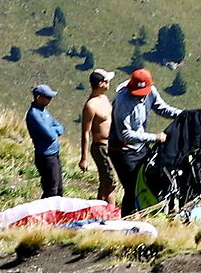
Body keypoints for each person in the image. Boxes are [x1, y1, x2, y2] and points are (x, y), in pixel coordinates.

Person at [111, 68, 182, 208]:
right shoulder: (122, 101)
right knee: (132, 187)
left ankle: (146, 212)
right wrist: (155, 137)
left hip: (140, 147)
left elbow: (162, 108)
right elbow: (125, 134)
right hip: (123, 150)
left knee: (149, 180)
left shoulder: (151, 92)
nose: (140, 97)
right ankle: (128, 219)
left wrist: (184, 115)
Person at [77, 70, 117, 206]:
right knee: (111, 182)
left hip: (111, 144)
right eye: (107, 81)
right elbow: (85, 132)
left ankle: (98, 208)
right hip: (100, 147)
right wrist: (84, 158)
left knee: (105, 181)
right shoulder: (91, 106)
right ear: (101, 84)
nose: (109, 83)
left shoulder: (105, 99)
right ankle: (113, 212)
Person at [25, 85, 65, 200]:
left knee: (58, 188)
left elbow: (60, 127)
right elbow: (50, 136)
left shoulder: (44, 111)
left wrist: (53, 129)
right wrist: (54, 130)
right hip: (46, 156)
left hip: (54, 154)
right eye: (47, 97)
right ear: (38, 97)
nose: (50, 100)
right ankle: (45, 214)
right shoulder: (34, 114)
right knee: (51, 189)